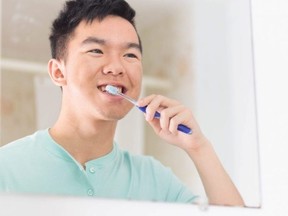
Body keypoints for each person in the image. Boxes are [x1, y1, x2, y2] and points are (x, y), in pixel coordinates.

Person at [0, 0, 244, 206]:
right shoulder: (6, 167)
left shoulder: (155, 179)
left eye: (130, 55)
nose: (117, 67)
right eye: (96, 51)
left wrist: (199, 148)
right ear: (57, 72)